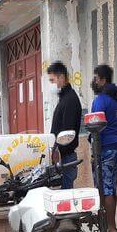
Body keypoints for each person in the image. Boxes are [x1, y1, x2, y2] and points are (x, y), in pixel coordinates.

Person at [90, 64, 117, 232]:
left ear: (103, 80)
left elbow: (95, 128)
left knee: (105, 188)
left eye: (96, 78)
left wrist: (94, 149)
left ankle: (109, 228)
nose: (94, 81)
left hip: (105, 149)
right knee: (111, 185)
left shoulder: (100, 100)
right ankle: (113, 225)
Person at [47, 61, 82, 189]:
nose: (51, 85)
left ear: (61, 77)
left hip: (66, 157)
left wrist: (58, 151)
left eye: (52, 80)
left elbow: (67, 133)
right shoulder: (63, 98)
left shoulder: (70, 99)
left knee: (65, 195)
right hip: (62, 156)